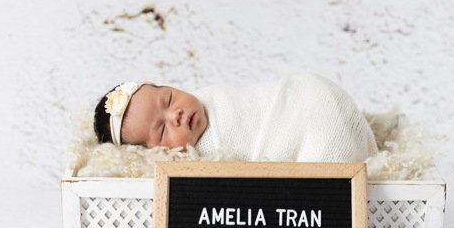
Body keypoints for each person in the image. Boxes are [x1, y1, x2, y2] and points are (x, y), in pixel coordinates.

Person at [93, 73, 378, 163]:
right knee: (328, 150)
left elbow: (252, 104)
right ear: (157, 154)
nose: (176, 114)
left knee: (325, 126)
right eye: (162, 129)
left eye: (168, 99)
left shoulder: (210, 97)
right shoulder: (194, 159)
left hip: (305, 94)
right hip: (310, 121)